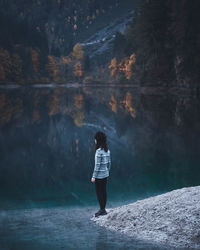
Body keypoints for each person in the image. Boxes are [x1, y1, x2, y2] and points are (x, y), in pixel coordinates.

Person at [91, 131, 111, 217]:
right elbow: (109, 163)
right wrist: (107, 172)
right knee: (104, 191)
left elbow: (97, 166)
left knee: (99, 192)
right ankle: (103, 209)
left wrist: (93, 176)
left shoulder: (98, 152)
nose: (94, 140)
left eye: (95, 139)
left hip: (99, 176)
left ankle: (102, 210)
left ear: (98, 140)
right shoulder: (107, 150)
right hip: (105, 175)